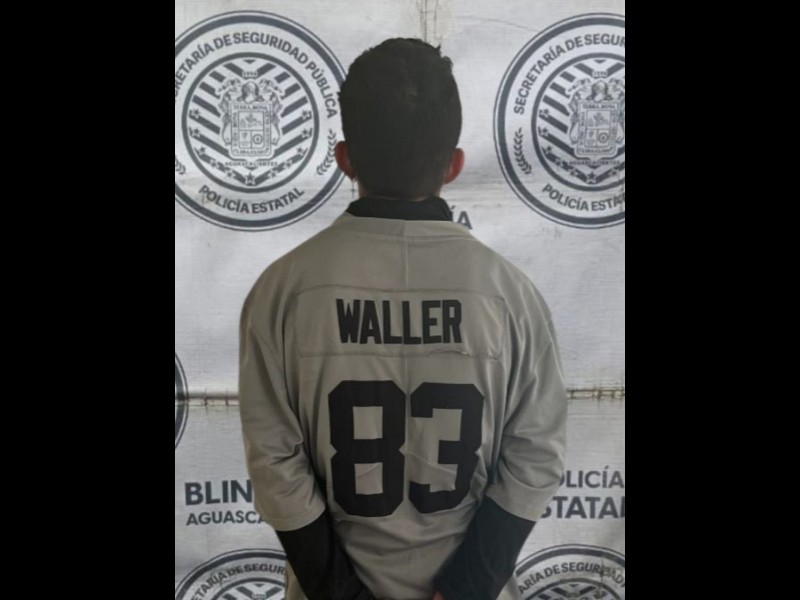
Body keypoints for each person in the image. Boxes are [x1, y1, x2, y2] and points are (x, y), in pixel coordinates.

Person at [239, 38, 567, 600]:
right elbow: (536, 458)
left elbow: (275, 466)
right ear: (454, 165)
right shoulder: (512, 295)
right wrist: (464, 590)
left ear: (344, 158)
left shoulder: (282, 291)